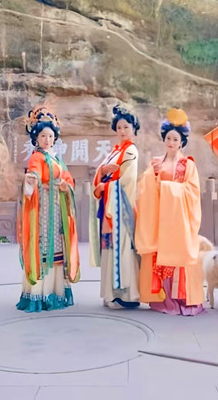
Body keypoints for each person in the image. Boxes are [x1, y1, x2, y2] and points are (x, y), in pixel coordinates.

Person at [136, 109, 204, 315]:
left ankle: (181, 298)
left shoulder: (188, 164)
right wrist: (153, 179)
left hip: (178, 220)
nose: (171, 142)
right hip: (158, 219)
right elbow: (144, 189)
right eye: (168, 138)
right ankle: (161, 298)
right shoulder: (156, 162)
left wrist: (166, 187)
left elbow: (192, 191)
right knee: (159, 255)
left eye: (175, 139)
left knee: (179, 256)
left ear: (182, 141)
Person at [17, 107, 80, 312]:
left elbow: (68, 178)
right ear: (36, 138)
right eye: (43, 135)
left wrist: (66, 186)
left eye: (50, 136)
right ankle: (39, 294)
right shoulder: (37, 157)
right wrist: (31, 180)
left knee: (58, 244)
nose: (47, 139)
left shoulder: (56, 158)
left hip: (57, 206)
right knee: (43, 244)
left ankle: (57, 291)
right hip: (43, 207)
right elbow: (33, 174)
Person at [90, 105, 141, 309]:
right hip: (110, 206)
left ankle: (126, 295)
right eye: (119, 127)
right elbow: (101, 172)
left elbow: (128, 181)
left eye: (126, 127)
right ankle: (110, 293)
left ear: (133, 128)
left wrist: (106, 186)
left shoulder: (131, 150)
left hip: (121, 208)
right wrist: (102, 171)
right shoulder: (115, 150)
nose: (122, 131)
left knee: (123, 249)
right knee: (110, 248)